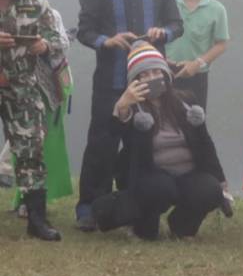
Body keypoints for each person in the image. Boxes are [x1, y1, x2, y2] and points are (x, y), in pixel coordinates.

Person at [75, 0, 182, 231]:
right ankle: (90, 209)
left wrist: (163, 32)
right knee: (101, 145)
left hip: (152, 83)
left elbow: (177, 24)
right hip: (111, 81)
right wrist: (107, 41)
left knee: (144, 146)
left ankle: (138, 208)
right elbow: (84, 31)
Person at [90, 41, 230, 240]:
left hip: (188, 174)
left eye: (156, 72)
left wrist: (221, 181)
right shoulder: (132, 108)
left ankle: (181, 226)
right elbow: (113, 134)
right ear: (135, 81)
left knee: (209, 189)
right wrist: (122, 106)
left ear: (165, 74)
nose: (152, 78)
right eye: (144, 75)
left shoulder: (187, 101)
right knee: (161, 190)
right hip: (151, 177)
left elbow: (205, 143)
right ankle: (138, 224)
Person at [0, 0, 68, 240]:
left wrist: (45, 45)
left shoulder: (34, 0)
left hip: (22, 87)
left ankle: (37, 219)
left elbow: (57, 38)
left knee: (30, 150)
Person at [19, 0, 73, 208]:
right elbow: (57, 40)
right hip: (30, 78)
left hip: (26, 75)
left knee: (27, 134)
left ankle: (26, 200)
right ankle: (28, 199)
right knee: (33, 136)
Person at [166, 0, 230, 112]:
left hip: (196, 77)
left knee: (194, 121)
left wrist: (197, 63)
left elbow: (221, 44)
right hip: (164, 73)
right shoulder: (168, 3)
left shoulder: (217, 9)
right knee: (164, 121)